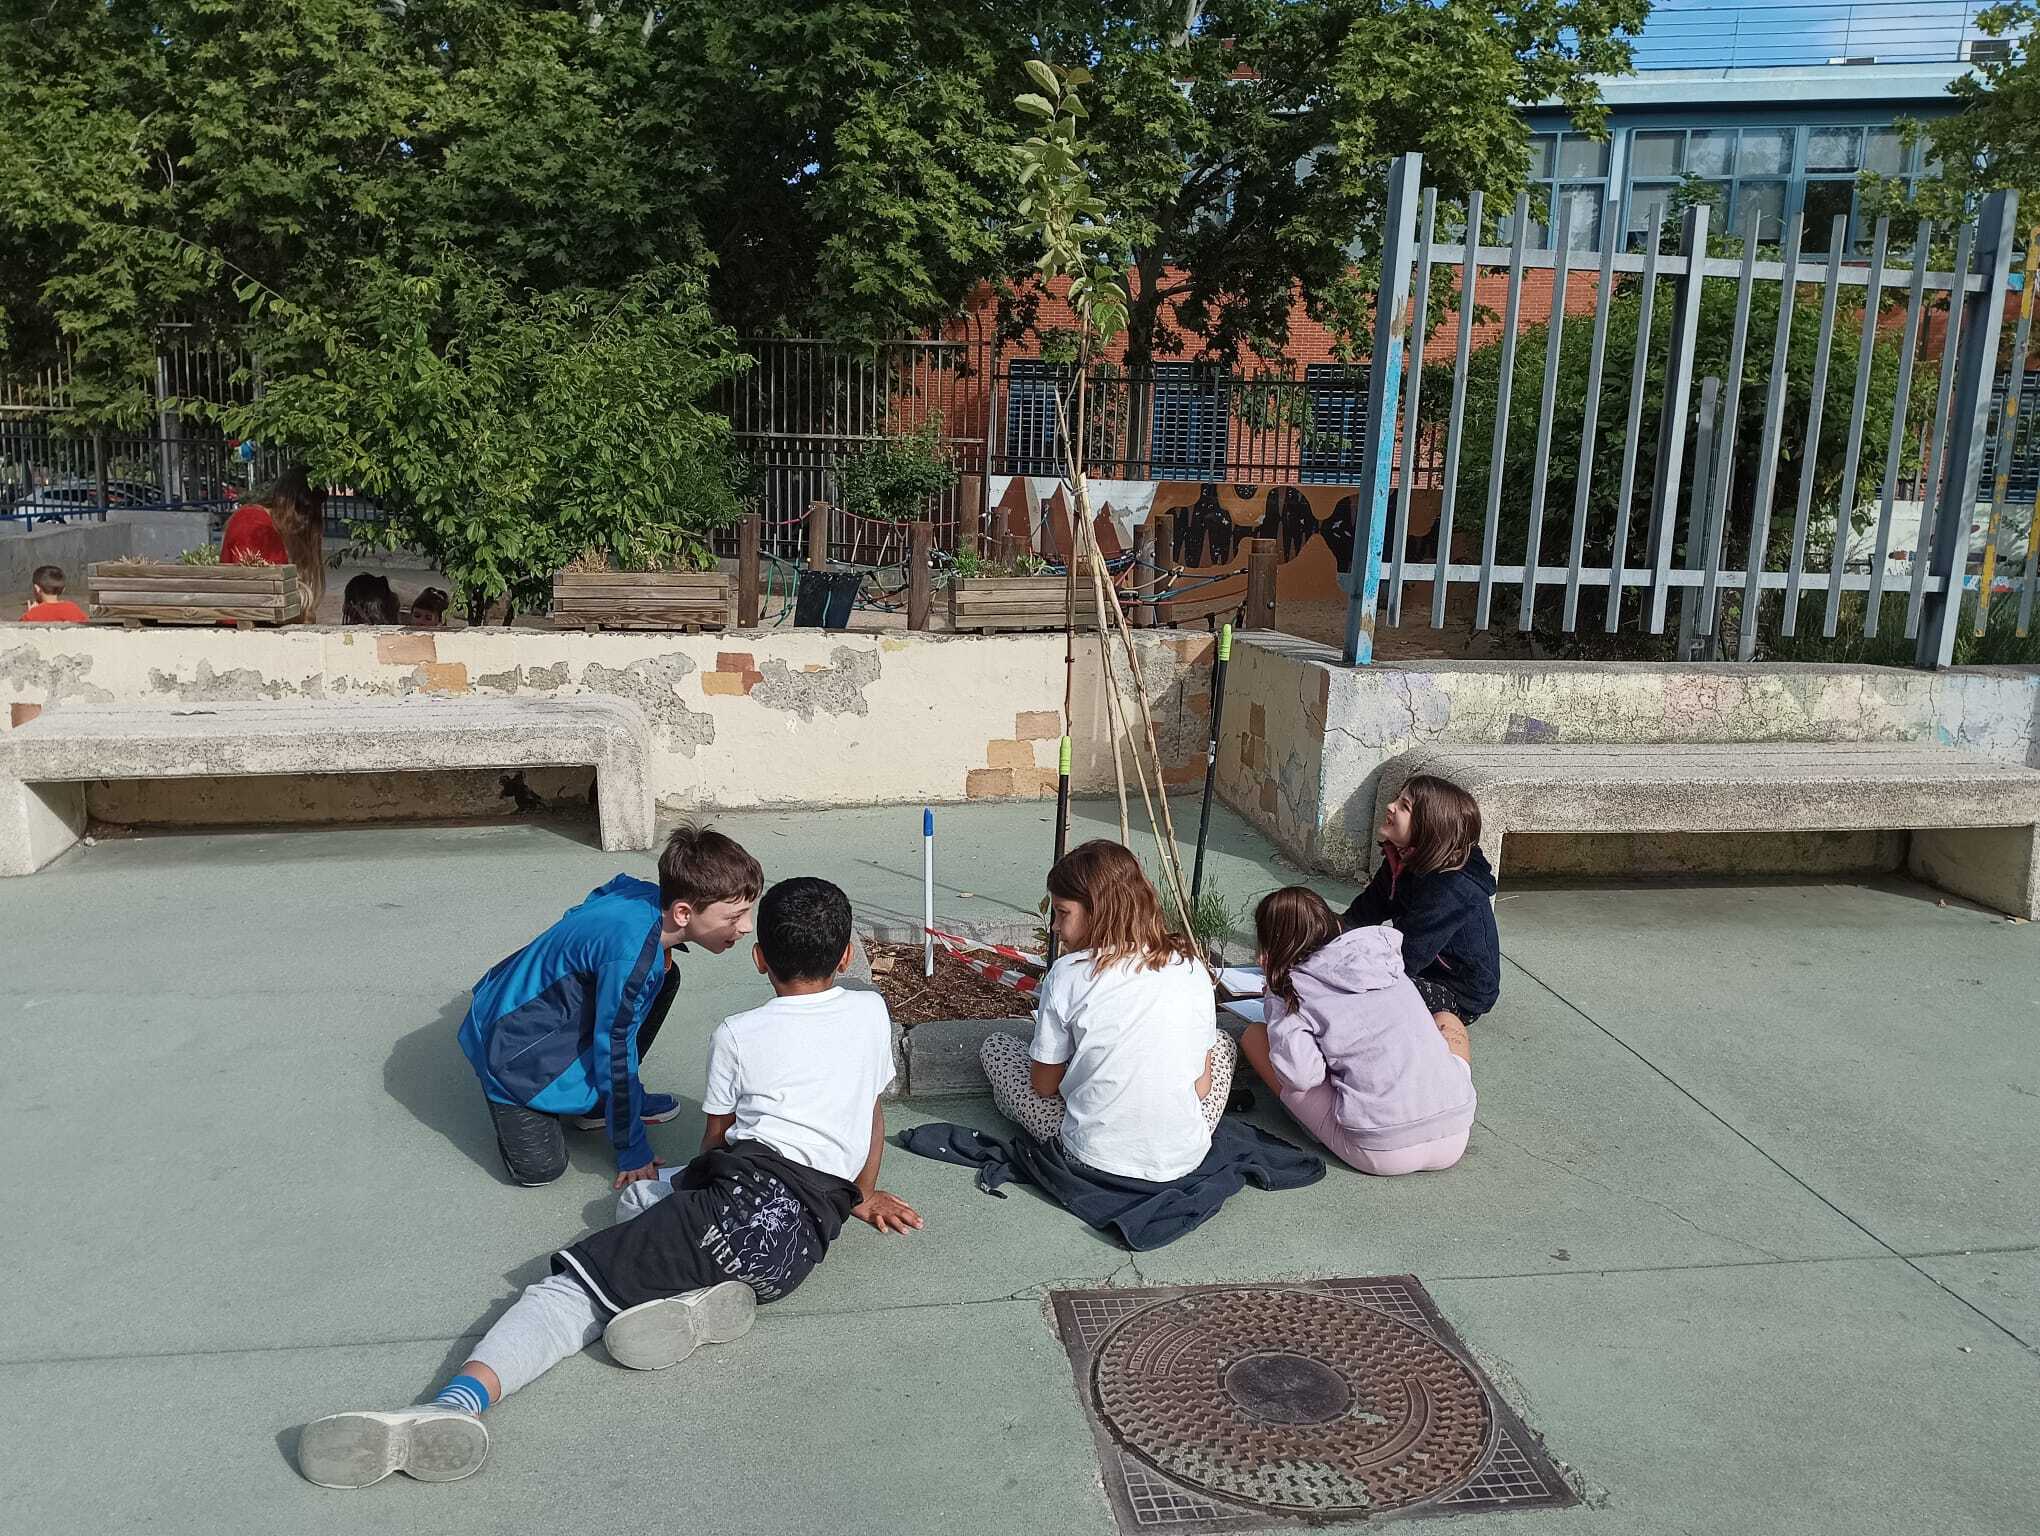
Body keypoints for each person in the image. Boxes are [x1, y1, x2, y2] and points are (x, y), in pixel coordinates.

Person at [298, 876, 921, 1489]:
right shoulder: (871, 1010)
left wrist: (694, 1199)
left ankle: (455, 1403)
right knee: (642, 1200)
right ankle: (691, 1295)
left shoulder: (738, 1033)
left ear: (760, 959)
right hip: (798, 1249)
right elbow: (871, 1110)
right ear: (846, 955)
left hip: (735, 1218)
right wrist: (863, 1195)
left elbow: (713, 1145)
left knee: (568, 1294)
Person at [459, 824, 762, 1189]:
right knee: (541, 1170)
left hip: (517, 1003)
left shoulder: (641, 894)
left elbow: (598, 897)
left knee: (662, 975)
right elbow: (615, 1049)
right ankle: (521, 1095)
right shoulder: (630, 957)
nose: (746, 926)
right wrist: (631, 1147)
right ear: (683, 912)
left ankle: (601, 1103)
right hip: (508, 1050)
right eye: (734, 916)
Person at [978, 839, 1234, 1183]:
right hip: (1185, 1156)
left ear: (1097, 911)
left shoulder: (1067, 974)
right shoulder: (1190, 966)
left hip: (1091, 1157)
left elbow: (1043, 1086)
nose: (1055, 927)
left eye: (1063, 913)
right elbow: (1201, 1089)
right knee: (1222, 1042)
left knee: (996, 1048)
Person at [1238, 887, 1475, 1176]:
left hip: (1382, 1148)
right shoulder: (1382, 959)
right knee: (1447, 1020)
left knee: (1255, 1037)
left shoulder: (1293, 988)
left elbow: (1301, 1076)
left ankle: (1318, 1126)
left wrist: (1276, 1000)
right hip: (1456, 1131)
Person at [1340, 773, 1499, 1064]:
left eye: (1404, 806)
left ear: (1430, 827)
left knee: (1360, 996)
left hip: (1458, 991)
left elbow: (1404, 959)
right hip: (1418, 967)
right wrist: (1310, 944)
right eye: (1397, 799)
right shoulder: (1403, 859)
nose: (1390, 807)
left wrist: (1335, 970)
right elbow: (1359, 916)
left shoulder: (1452, 888)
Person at [219, 466, 327, 620]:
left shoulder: (265, 523)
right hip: (244, 626)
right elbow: (262, 593)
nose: (303, 523)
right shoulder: (254, 524)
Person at [20, 564, 88, 623]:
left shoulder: (32, 615)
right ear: (63, 590)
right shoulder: (73, 608)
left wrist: (30, 612)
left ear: (37, 589)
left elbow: (21, 630)